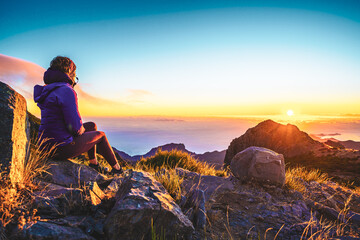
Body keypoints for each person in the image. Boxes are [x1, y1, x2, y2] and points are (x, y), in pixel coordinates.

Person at [33, 56, 123, 174]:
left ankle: (94, 164)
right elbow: (75, 128)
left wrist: (83, 129)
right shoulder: (66, 90)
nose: (75, 79)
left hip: (46, 146)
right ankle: (118, 170)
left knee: (91, 126)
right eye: (75, 75)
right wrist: (81, 130)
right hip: (60, 148)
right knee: (101, 135)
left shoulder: (48, 90)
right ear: (70, 73)